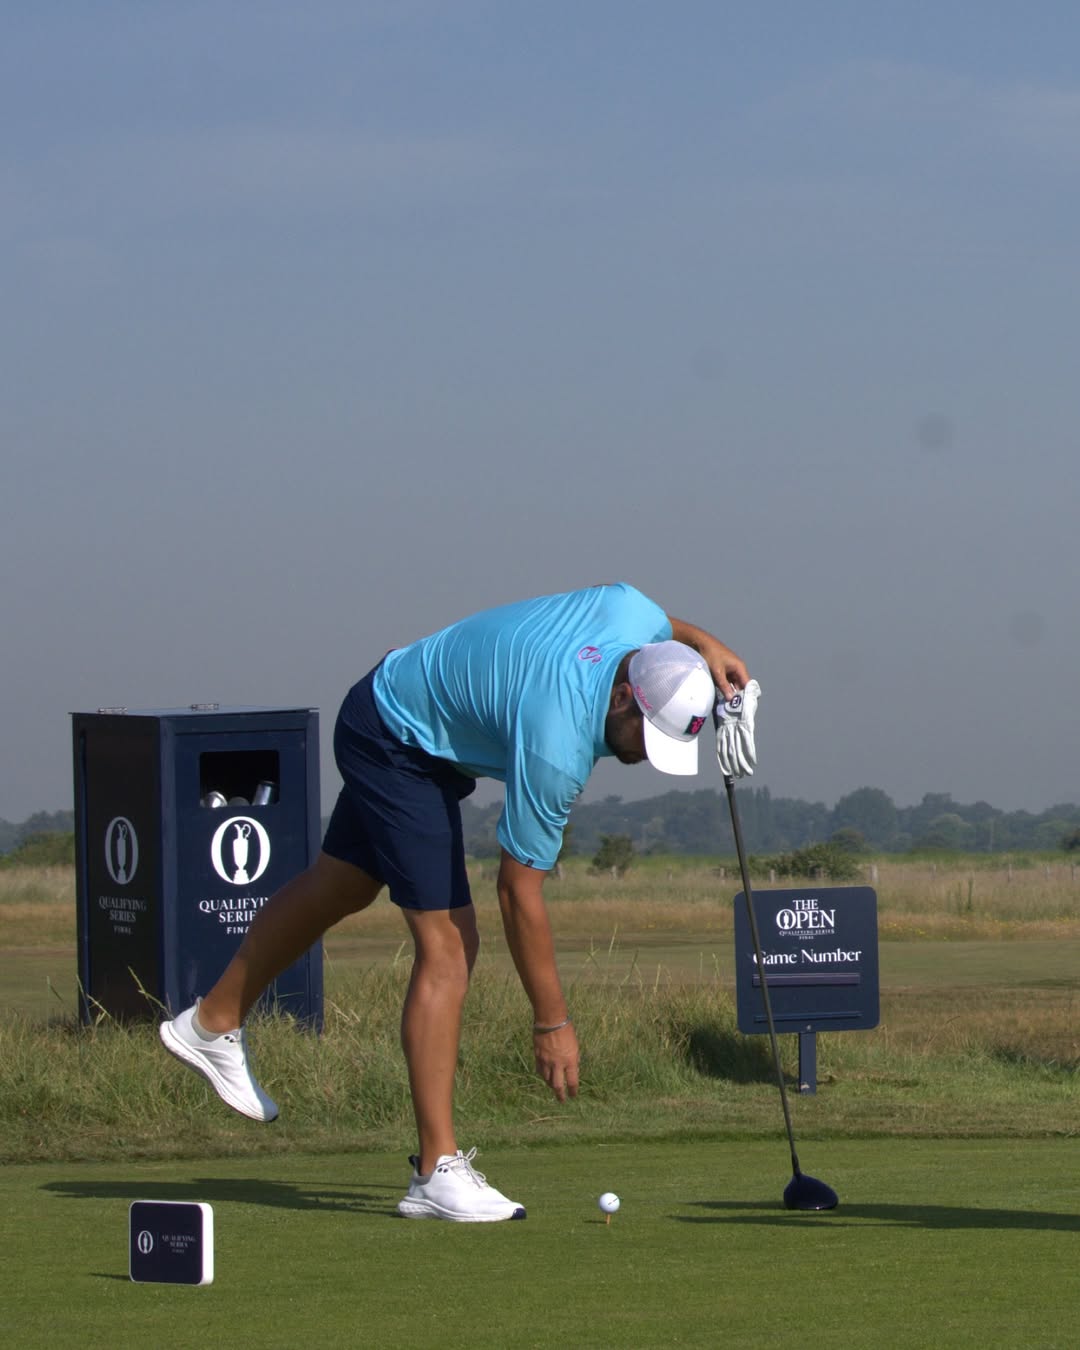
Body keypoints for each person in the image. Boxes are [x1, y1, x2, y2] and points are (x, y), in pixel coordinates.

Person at [160, 582, 753, 1222]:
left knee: (345, 885)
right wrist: (552, 1024)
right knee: (449, 946)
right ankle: (434, 1171)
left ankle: (211, 1022)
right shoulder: (556, 744)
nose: (641, 756)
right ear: (620, 696)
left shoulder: (629, 613)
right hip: (397, 740)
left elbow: (661, 620)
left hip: (401, 705)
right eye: (644, 735)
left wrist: (704, 644)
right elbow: (518, 892)